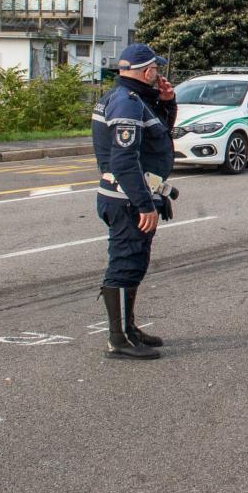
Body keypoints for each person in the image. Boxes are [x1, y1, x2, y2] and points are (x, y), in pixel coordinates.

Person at [91, 43, 178, 360]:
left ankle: (128, 329)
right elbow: (125, 160)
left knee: (134, 262)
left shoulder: (134, 99)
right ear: (148, 71)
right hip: (127, 198)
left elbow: (158, 135)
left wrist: (167, 102)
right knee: (125, 265)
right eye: (157, 69)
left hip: (132, 194)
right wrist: (144, 205)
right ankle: (119, 339)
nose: (159, 74)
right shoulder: (127, 104)